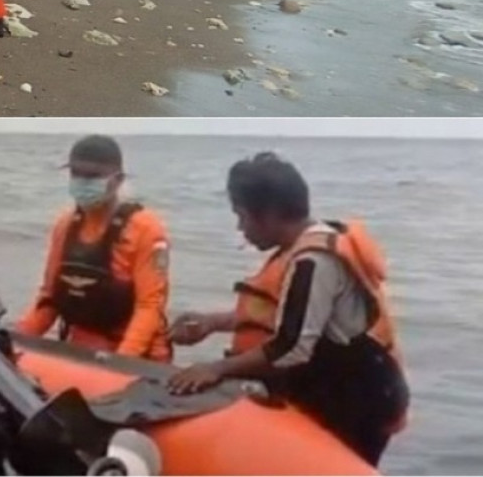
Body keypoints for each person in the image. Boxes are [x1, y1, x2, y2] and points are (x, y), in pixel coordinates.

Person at [166, 152, 409, 467]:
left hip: (358, 398)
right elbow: (286, 315)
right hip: (344, 383)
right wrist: (213, 323)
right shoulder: (309, 242)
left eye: (241, 216)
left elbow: (291, 348)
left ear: (268, 215)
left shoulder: (313, 262)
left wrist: (215, 369)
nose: (240, 228)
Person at [15, 135, 172, 362]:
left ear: (117, 180)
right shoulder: (65, 226)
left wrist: (120, 363)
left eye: (92, 176)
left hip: (136, 354)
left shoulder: (147, 230)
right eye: (76, 174)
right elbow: (50, 298)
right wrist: (17, 339)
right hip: (82, 350)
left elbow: (150, 307)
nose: (82, 182)